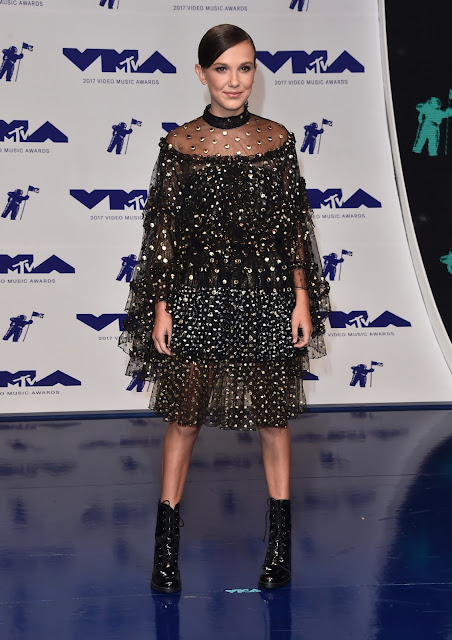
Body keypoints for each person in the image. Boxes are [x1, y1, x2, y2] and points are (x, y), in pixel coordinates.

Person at [119, 24, 330, 594]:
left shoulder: (276, 140)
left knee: (273, 420)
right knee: (184, 419)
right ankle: (165, 549)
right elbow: (163, 236)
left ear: (254, 72)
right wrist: (162, 306)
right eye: (222, 69)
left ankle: (279, 546)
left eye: (244, 67)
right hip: (197, 293)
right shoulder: (179, 145)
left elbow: (293, 226)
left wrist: (301, 296)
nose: (234, 81)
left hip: (265, 293)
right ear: (201, 74)